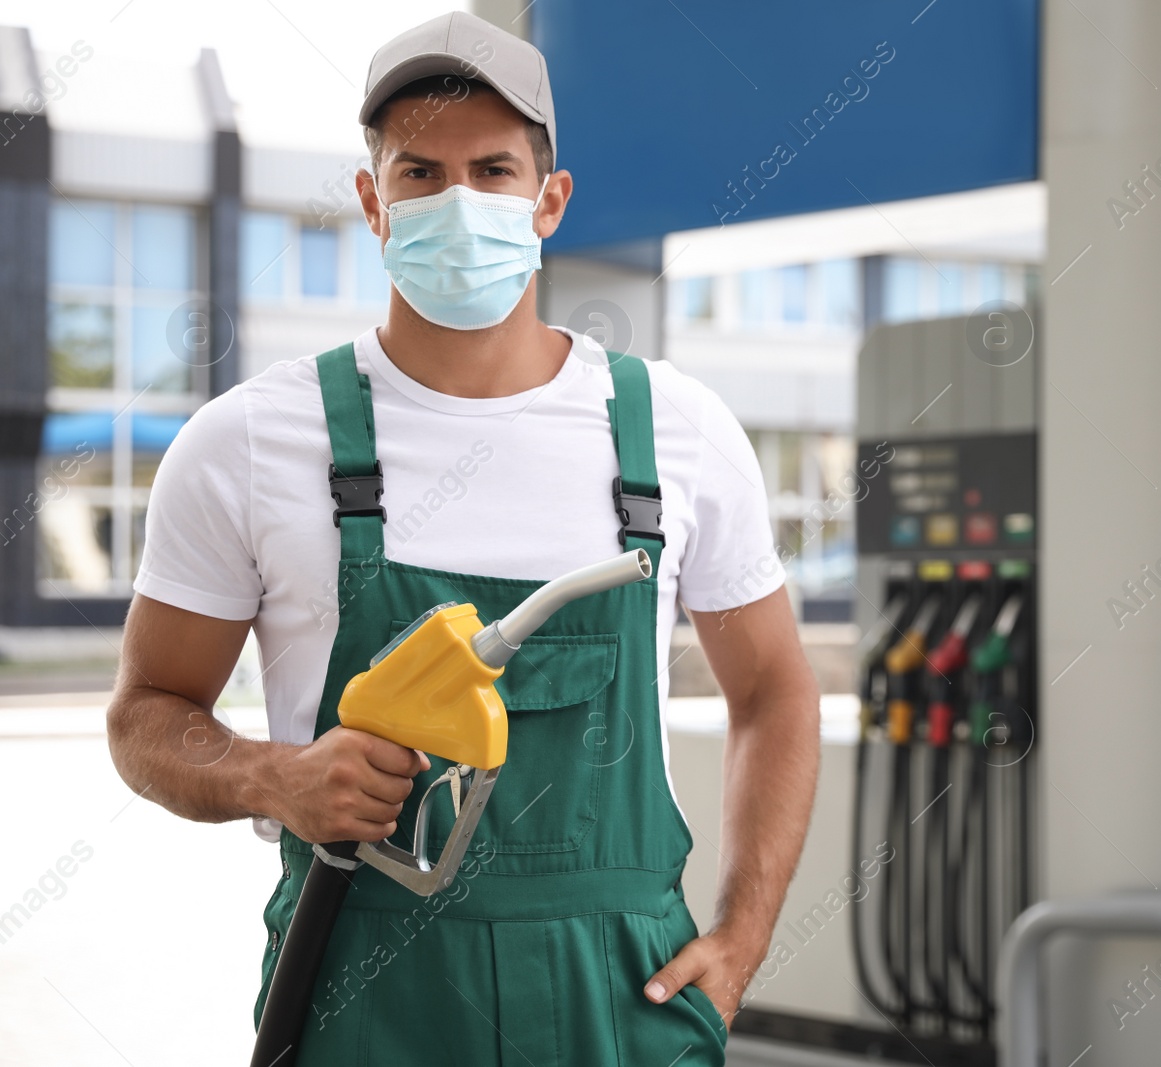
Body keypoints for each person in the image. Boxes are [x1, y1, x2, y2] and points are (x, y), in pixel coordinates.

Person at [104, 11, 820, 1064]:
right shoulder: (247, 442)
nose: (459, 202)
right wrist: (274, 777)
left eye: (492, 169)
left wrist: (744, 937)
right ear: (371, 201)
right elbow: (145, 715)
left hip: (617, 991)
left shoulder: (677, 430)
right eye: (420, 173)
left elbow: (774, 691)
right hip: (363, 982)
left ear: (549, 200)